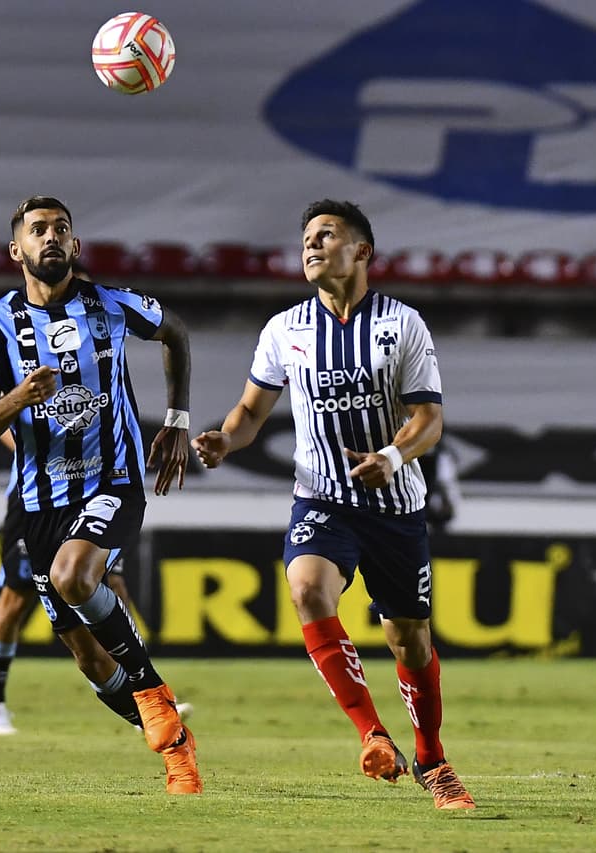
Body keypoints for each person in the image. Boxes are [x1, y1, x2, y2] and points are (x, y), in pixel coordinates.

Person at [191, 199, 475, 810]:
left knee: (411, 642)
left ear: (362, 252)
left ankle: (432, 758)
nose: (311, 247)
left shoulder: (402, 326)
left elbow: (429, 421)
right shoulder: (284, 330)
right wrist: (225, 439)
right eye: (306, 240)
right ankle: (372, 733)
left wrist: (393, 458)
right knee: (307, 590)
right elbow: (248, 413)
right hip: (322, 498)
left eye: (327, 236)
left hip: (395, 504)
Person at [0, 195, 200, 794]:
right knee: (91, 660)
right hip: (39, 502)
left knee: (77, 577)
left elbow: (175, 331)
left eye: (61, 230)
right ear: (16, 249)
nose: (51, 237)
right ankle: (176, 747)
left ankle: (151, 689)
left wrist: (175, 418)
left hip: (112, 482)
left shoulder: (111, 305)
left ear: (75, 247)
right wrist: (22, 396)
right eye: (38, 230)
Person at [0, 430, 192, 736]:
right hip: (39, 493)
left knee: (113, 584)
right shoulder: (27, 382)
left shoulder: (101, 383)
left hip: (97, 489)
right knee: (17, 595)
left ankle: (143, 694)